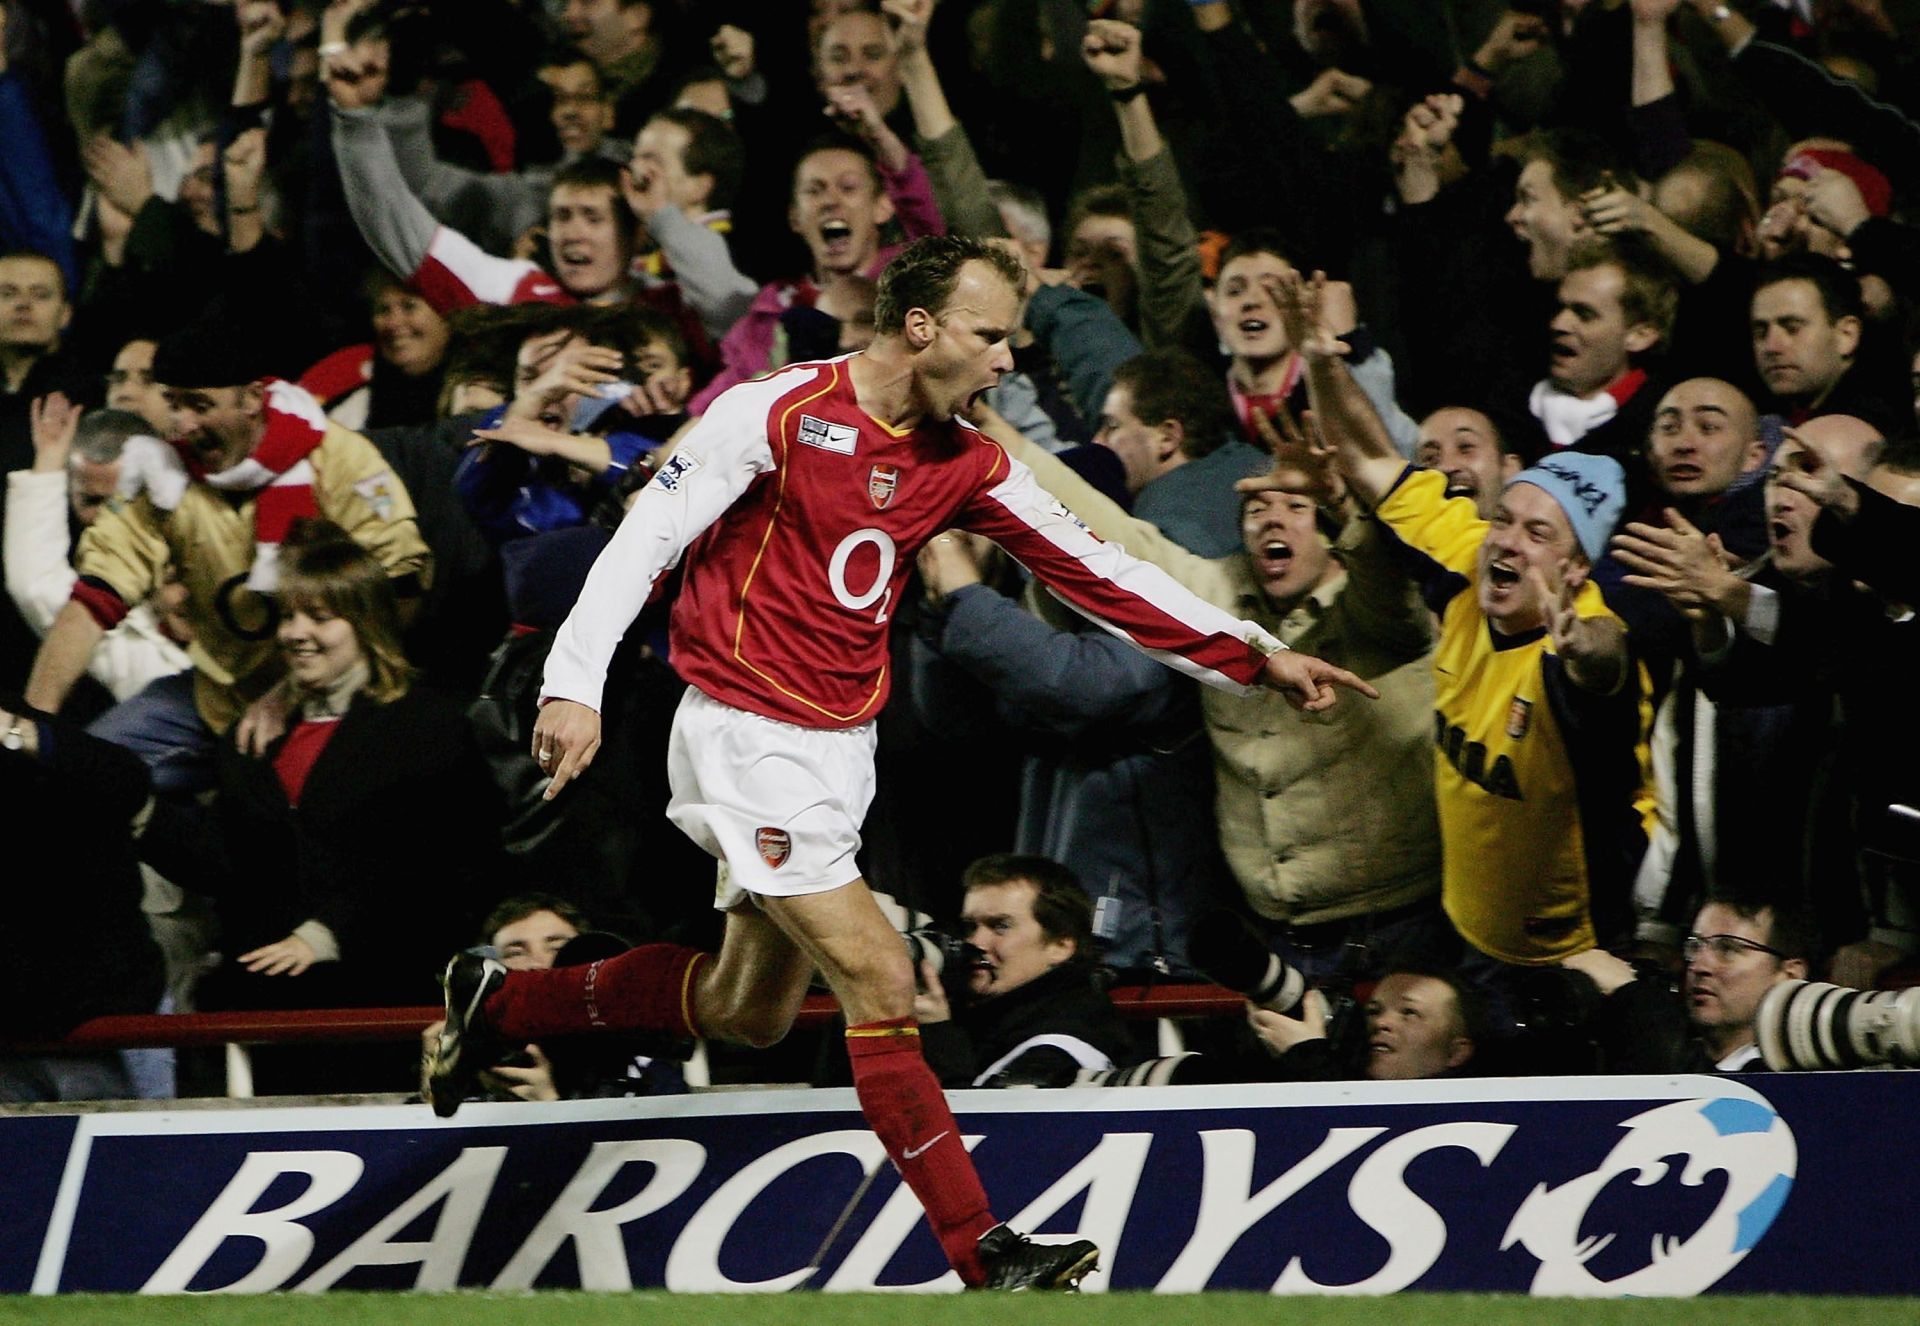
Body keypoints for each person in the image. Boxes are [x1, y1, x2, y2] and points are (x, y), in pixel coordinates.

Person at [430, 235, 1376, 1292]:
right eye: (989, 335)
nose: (1006, 361)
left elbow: (1103, 573)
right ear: (920, 328)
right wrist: (575, 683)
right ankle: (986, 1253)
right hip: (745, 729)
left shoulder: (967, 458)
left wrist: (1255, 653)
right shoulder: (774, 411)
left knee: (752, 1009)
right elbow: (646, 538)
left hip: (841, 750)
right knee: (882, 973)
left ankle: (504, 1004)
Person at [1283, 267, 1651, 990]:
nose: (1506, 541)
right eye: (1504, 518)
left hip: (1571, 951)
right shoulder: (1465, 553)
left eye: (1538, 533)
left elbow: (1606, 665)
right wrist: (1321, 362)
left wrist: (1584, 649)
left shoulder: (1581, 638)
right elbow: (1362, 455)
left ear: (1578, 569)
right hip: (1462, 920)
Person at [21, 316, 431, 792]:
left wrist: (291, 691)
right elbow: (92, 601)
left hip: (340, 688)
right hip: (218, 693)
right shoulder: (163, 474)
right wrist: (33, 725)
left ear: (253, 398)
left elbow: (402, 587)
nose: (183, 424)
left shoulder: (340, 461)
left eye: (200, 405)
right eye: (173, 403)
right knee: (76, 775)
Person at [869, 855, 1137, 1088]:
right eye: (971, 926)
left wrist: (936, 1034)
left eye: (1001, 926)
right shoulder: (980, 1014)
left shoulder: (1069, 1042)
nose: (976, 942)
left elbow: (982, 1133)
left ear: (1060, 946)